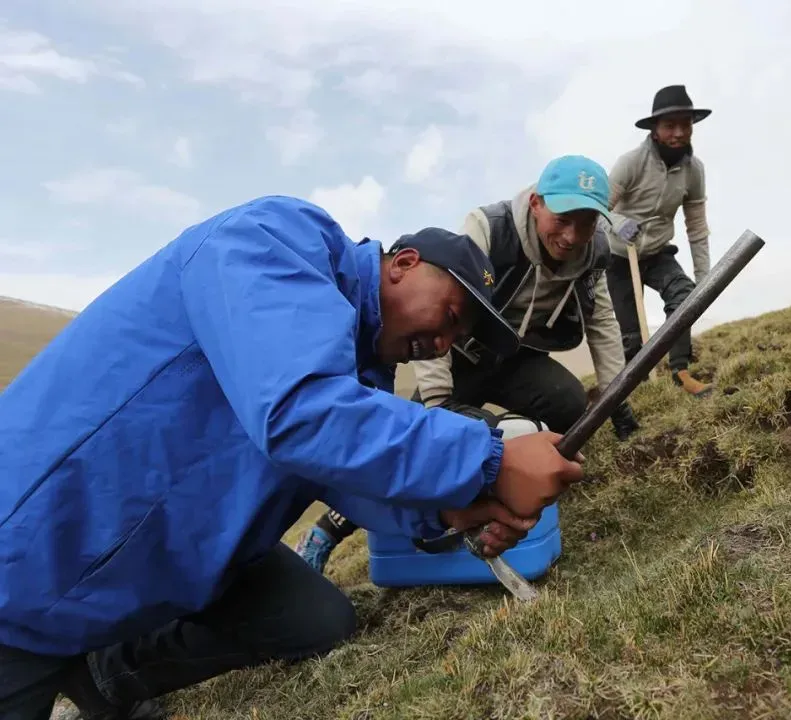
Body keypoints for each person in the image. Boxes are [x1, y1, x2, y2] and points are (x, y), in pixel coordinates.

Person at [0, 195, 585, 720]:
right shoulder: (274, 241)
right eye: (451, 315)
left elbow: (340, 467)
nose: (443, 344)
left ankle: (105, 676)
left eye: (458, 340)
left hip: (161, 553)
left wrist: (454, 510)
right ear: (403, 264)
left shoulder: (359, 376)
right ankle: (70, 655)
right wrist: (489, 460)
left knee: (313, 618)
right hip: (35, 561)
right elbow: (301, 414)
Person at [294, 155, 641, 574]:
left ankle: (530, 476)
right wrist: (439, 403)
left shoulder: (592, 256)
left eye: (586, 222)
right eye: (564, 218)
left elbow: (601, 320)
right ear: (536, 203)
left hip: (516, 358)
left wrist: (616, 395)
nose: (571, 235)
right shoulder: (489, 228)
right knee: (417, 440)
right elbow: (442, 307)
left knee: (569, 402)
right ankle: (326, 531)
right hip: (454, 357)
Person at [605, 84, 716, 398]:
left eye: (685, 125)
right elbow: (598, 208)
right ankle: (638, 392)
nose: (678, 132)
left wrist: (704, 279)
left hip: (656, 252)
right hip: (618, 256)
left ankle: (680, 372)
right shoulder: (630, 163)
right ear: (655, 129)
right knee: (631, 337)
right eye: (670, 125)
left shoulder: (694, 171)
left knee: (685, 296)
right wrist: (618, 222)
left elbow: (696, 227)